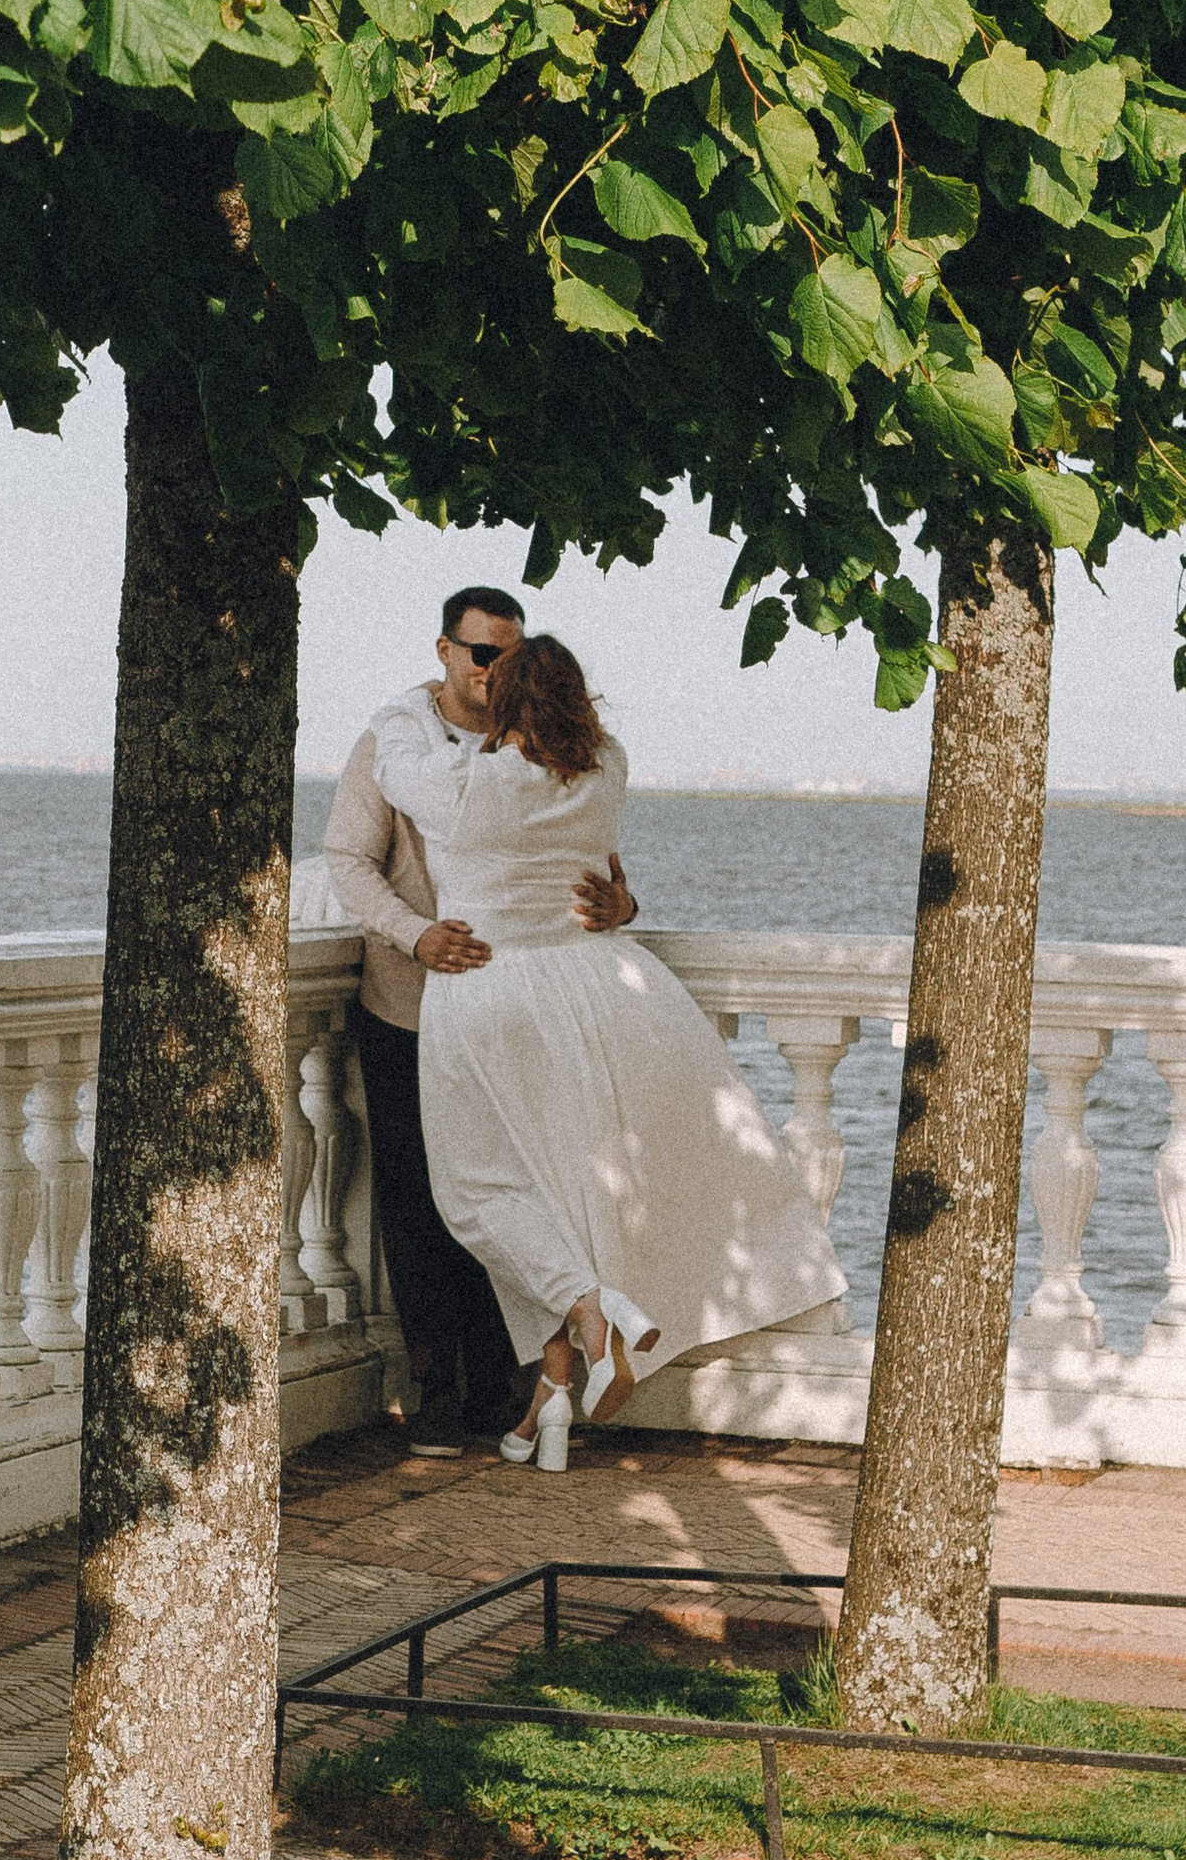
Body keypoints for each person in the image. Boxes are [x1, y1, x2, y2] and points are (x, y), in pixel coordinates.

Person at [369, 631, 844, 1468]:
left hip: (489, 990)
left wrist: (418, 696)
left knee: (478, 1192)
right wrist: (620, 902)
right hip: (595, 984)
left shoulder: (471, 785)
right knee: (563, 1189)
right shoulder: (607, 768)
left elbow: (393, 763)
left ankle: (590, 1311)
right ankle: (550, 1397)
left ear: (507, 700)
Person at [324, 586, 638, 1442]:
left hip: (499, 1004)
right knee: (423, 1207)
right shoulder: (401, 746)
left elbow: (594, 871)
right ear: (445, 651)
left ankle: (525, 1381)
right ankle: (443, 1387)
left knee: (512, 1190)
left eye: (510, 654)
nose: (492, 669)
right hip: (410, 1002)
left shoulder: (502, 762)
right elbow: (349, 864)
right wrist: (415, 936)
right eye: (479, 653)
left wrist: (621, 905)